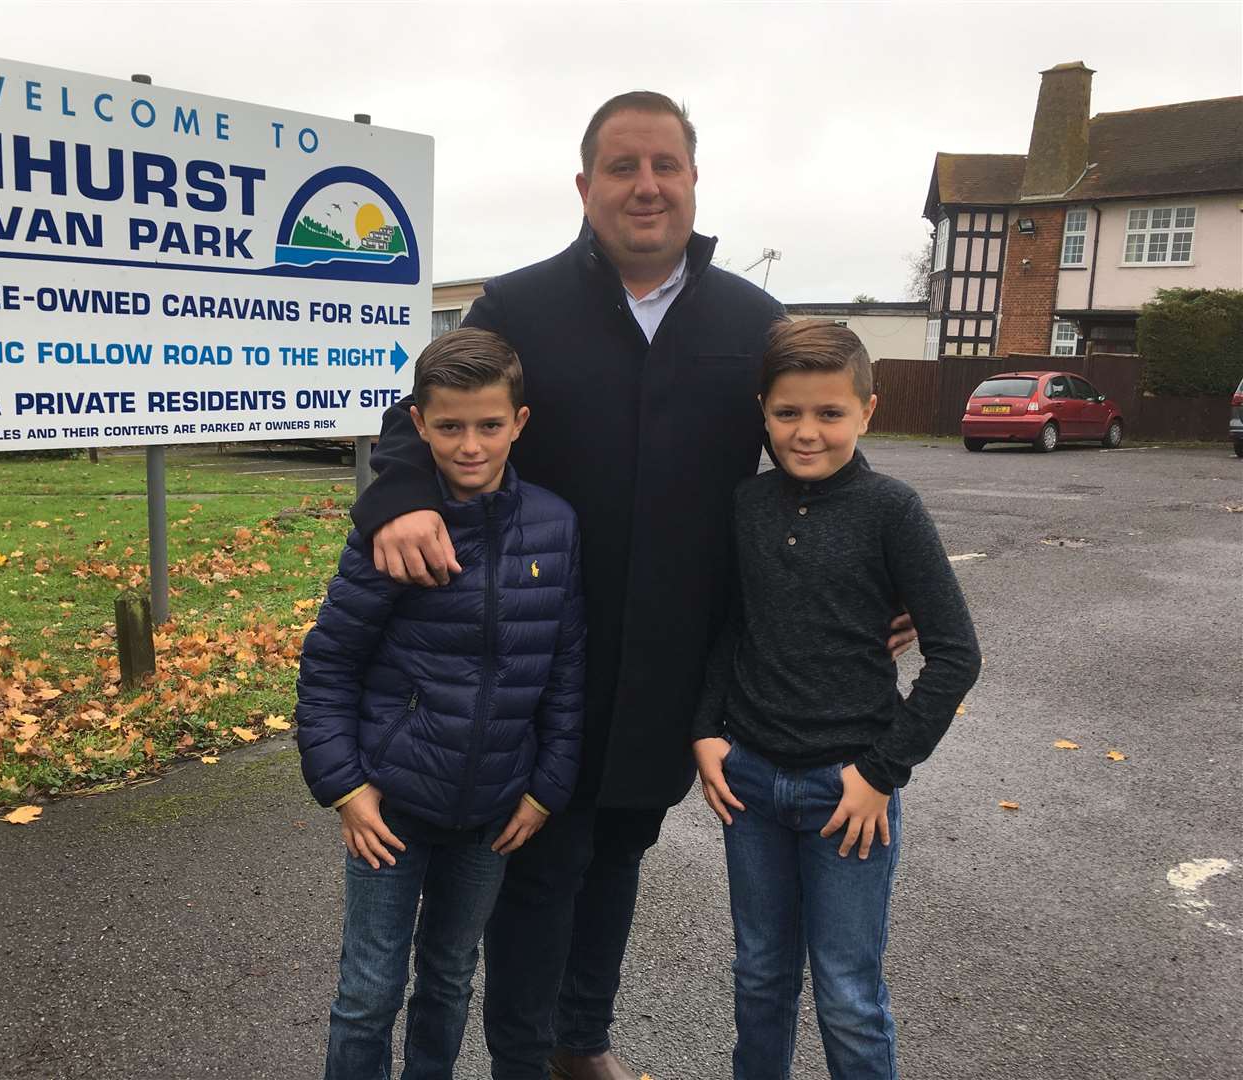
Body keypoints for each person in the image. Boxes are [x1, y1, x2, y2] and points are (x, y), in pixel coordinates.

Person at [353, 92, 915, 1080]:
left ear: (695, 184)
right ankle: (525, 1058)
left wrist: (875, 572)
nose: (646, 187)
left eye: (666, 166)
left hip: (668, 658)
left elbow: (813, 451)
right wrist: (401, 500)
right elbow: (422, 415)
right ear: (585, 187)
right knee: (540, 868)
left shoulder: (753, 321)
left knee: (617, 856)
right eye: (623, 167)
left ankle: (581, 1041)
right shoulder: (519, 306)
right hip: (533, 653)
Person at [692, 320, 982, 1080]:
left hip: (848, 794)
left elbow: (956, 655)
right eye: (788, 413)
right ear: (763, 411)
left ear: (867, 411)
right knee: (758, 976)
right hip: (749, 783)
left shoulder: (893, 509)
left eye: (830, 413)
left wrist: (880, 773)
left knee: (848, 995)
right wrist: (705, 733)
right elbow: (733, 624)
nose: (807, 432)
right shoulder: (747, 504)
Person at [296, 327, 586, 1079]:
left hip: (492, 812)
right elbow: (329, 664)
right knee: (368, 992)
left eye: (490, 425)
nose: (470, 446)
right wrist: (345, 788)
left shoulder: (555, 526)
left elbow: (565, 668)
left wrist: (546, 789)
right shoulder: (391, 535)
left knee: (450, 979)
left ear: (518, 423)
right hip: (389, 808)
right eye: (449, 426)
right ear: (418, 424)